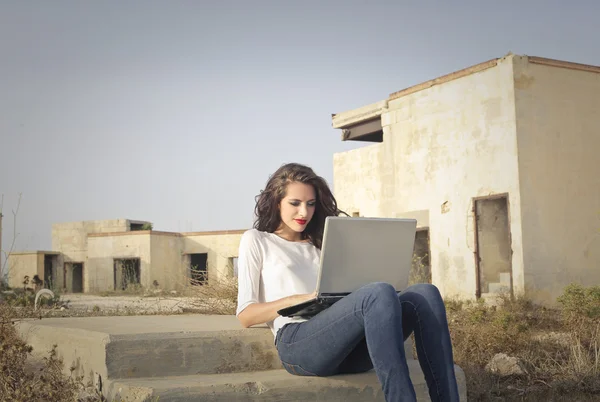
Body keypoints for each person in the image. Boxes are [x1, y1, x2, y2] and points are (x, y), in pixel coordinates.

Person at [236, 162, 460, 402]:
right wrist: (296, 299)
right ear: (276, 201)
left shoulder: (323, 243)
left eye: (311, 204)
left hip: (348, 347)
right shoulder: (258, 241)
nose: (304, 212)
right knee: (378, 292)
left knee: (424, 293)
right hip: (299, 343)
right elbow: (246, 315)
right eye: (295, 203)